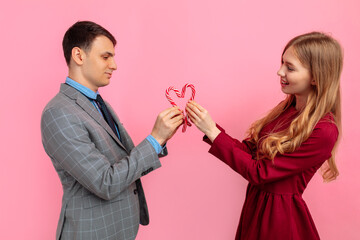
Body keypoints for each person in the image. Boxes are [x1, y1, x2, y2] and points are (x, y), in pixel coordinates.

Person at [186, 32, 343, 239]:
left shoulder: (324, 130)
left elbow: (260, 172)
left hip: (278, 221)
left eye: (290, 67)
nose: (280, 72)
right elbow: (251, 153)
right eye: (282, 63)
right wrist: (208, 126)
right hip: (256, 208)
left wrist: (213, 133)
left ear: (315, 76)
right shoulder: (288, 108)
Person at [41, 21, 183, 240]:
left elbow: (125, 163)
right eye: (106, 57)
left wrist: (161, 139)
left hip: (118, 230)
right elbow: (104, 181)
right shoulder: (59, 112)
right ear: (78, 56)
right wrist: (154, 139)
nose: (114, 65)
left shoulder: (97, 103)